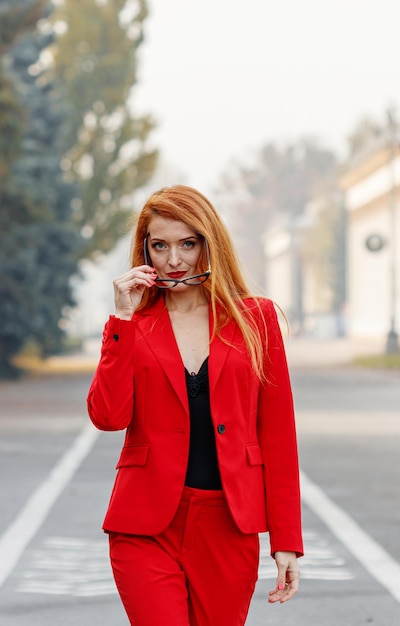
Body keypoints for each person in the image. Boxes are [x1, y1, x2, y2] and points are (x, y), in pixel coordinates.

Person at [87, 184, 303, 626]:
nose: (174, 260)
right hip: (145, 527)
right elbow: (108, 417)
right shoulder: (134, 323)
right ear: (144, 249)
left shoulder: (255, 319)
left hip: (227, 525)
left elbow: (278, 436)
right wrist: (122, 320)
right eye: (160, 245)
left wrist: (286, 541)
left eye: (188, 243)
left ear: (210, 243)